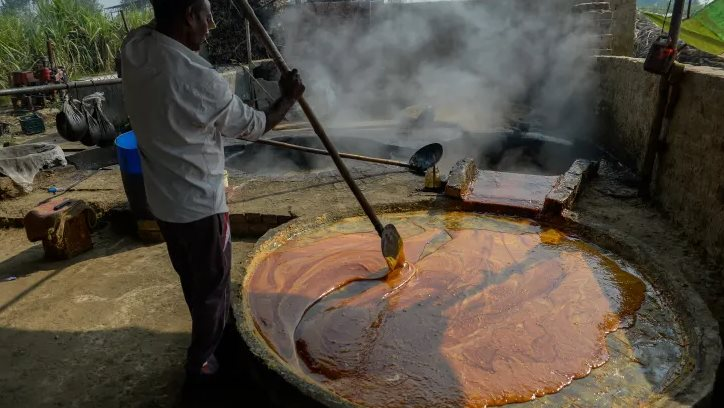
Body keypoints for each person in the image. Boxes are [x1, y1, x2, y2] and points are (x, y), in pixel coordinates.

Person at [119, 0, 304, 386]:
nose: (211, 24)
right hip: (200, 205)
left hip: (164, 202)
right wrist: (288, 97)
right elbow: (254, 126)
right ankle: (202, 363)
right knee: (213, 288)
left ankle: (213, 340)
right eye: (205, 14)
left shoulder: (134, 50)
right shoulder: (198, 78)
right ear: (187, 14)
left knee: (193, 278)